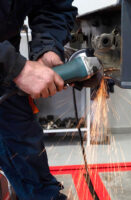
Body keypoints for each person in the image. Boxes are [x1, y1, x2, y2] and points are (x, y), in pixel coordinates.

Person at [0, 1, 77, 199]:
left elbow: (53, 6)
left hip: (4, 69)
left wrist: (47, 48)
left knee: (24, 142)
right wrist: (14, 67)